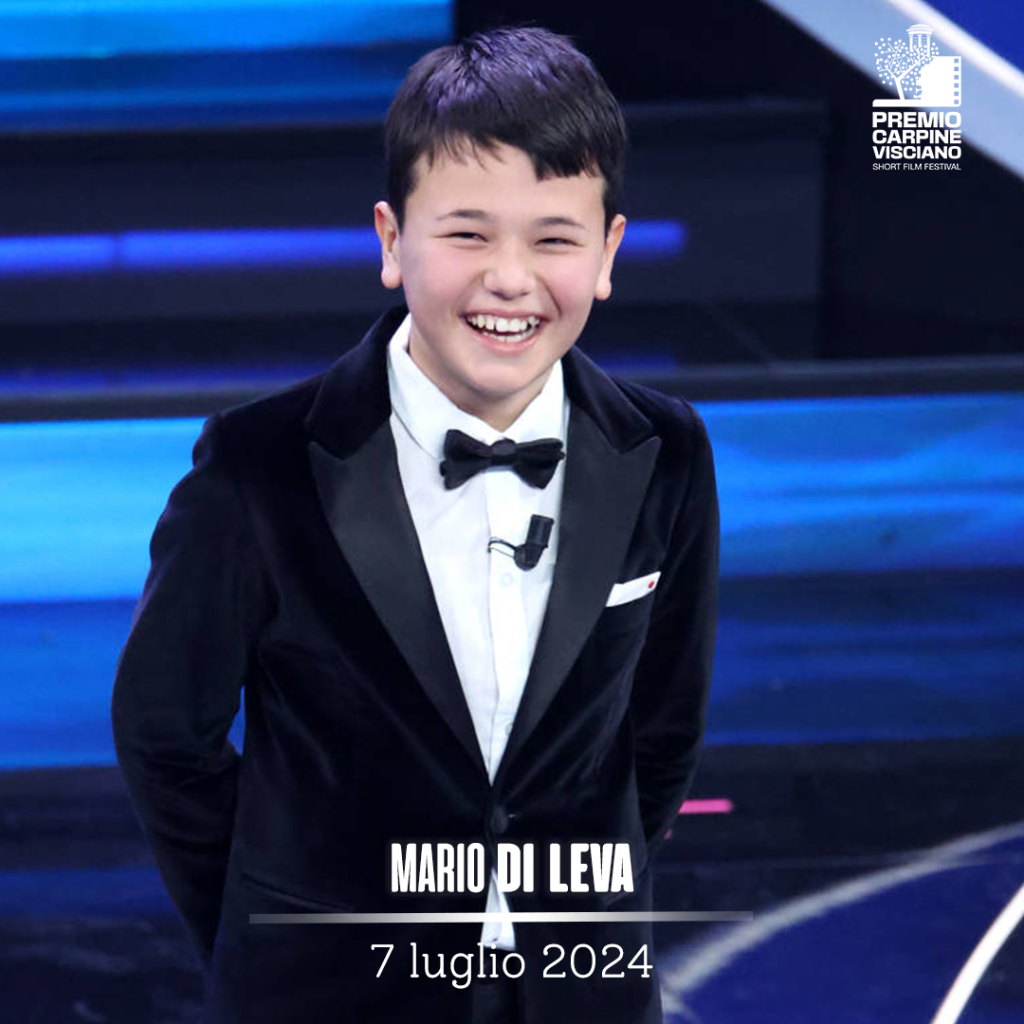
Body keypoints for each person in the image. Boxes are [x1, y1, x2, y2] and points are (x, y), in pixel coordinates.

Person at [111, 25, 719, 1024]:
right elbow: (165, 734)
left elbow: (661, 732)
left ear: (609, 252)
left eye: (554, 239)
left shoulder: (667, 453)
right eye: (468, 234)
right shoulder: (259, 467)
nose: (510, 278)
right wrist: (271, 936)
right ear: (392, 241)